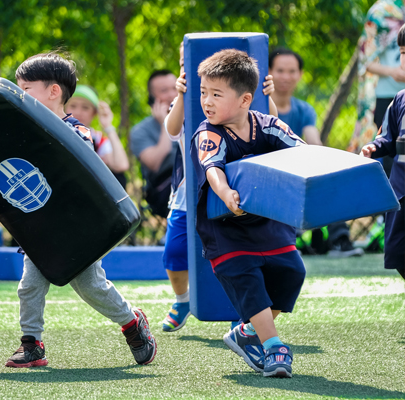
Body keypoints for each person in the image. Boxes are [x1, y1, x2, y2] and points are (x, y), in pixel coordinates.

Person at [6, 52, 156, 368]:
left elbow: (74, 167)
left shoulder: (78, 132)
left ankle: (132, 323)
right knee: (30, 285)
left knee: (91, 286)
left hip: (76, 228)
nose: (21, 95)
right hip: (39, 227)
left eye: (26, 89)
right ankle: (31, 344)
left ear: (53, 91)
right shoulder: (22, 130)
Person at [189, 49, 307, 378]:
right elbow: (212, 169)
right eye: (203, 93)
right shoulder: (209, 132)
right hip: (225, 231)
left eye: (216, 94)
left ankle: (247, 332)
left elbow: (303, 154)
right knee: (248, 281)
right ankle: (274, 347)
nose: (206, 101)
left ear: (244, 100)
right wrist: (225, 192)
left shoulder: (268, 126)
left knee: (292, 273)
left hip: (269, 225)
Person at [162, 42, 278, 332]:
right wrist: (181, 95)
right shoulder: (191, 99)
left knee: (239, 255)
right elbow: (172, 130)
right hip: (190, 193)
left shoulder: (238, 101)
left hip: (237, 189)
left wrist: (268, 97)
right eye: (184, 63)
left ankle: (245, 314)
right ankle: (182, 299)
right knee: (174, 251)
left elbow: (272, 123)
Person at [270, 47, 364, 258]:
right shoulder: (257, 106)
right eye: (280, 70)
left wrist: (325, 162)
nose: (286, 77)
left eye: (292, 71)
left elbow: (313, 141)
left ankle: (340, 241)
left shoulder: (304, 110)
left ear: (300, 74)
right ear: (269, 73)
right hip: (270, 174)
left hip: (299, 173)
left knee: (328, 176)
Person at [360, 22, 405, 281]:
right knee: (398, 252)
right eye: (404, 53)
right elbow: (387, 138)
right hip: (400, 193)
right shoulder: (399, 100)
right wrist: (373, 147)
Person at [349, 1, 405, 164]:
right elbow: (365, 60)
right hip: (387, 96)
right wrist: (392, 72)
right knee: (390, 155)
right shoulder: (380, 12)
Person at [130, 70, 178, 218]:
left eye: (175, 88)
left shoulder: (194, 120)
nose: (172, 95)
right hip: (165, 190)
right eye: (164, 91)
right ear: (152, 99)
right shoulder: (139, 131)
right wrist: (165, 124)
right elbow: (155, 164)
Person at [65, 85, 129, 187]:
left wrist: (108, 125)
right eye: (73, 106)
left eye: (85, 108)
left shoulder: (99, 140)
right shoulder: (55, 130)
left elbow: (121, 165)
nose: (78, 112)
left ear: (94, 113)